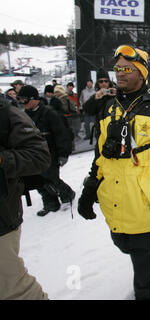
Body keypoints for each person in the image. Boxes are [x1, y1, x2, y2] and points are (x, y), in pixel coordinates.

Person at [77, 45, 150, 300]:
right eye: (117, 69)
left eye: (127, 69)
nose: (119, 74)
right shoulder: (107, 108)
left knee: (142, 260)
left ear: (142, 73)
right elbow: (99, 154)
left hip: (146, 200)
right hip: (115, 197)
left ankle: (148, 294)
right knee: (122, 242)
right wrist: (90, 188)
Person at [0, 96, 51, 299]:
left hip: (2, 221)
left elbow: (39, 156)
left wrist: (3, 159)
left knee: (14, 290)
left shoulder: (5, 112)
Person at [17, 85, 75, 216]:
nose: (22, 103)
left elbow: (62, 134)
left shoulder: (49, 113)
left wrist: (63, 154)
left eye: (24, 100)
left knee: (52, 178)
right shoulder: (24, 116)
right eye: (20, 100)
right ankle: (50, 203)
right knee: (39, 181)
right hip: (33, 154)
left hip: (50, 153)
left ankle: (67, 194)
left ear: (33, 99)